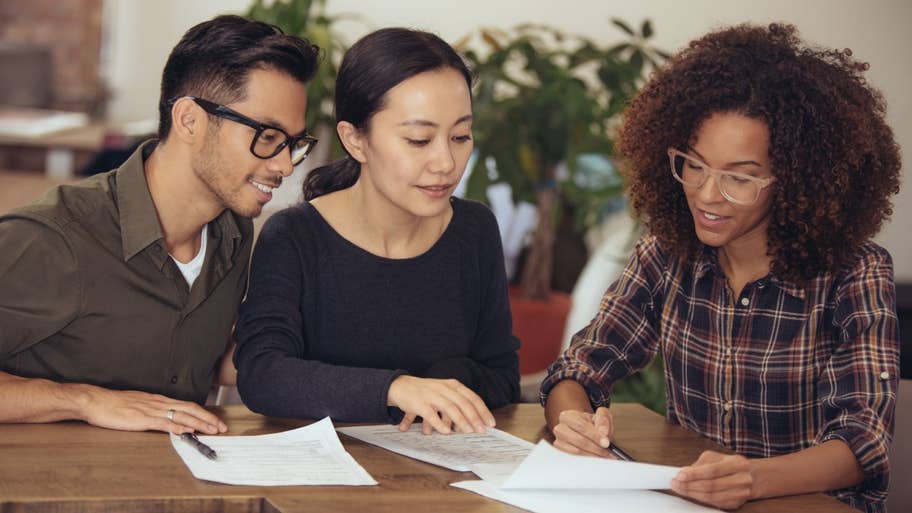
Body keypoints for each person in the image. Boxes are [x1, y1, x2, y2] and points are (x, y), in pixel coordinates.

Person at [541, 23, 900, 513]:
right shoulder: (667, 255)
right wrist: (574, 423)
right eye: (695, 165)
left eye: (740, 178)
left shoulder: (854, 274)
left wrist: (751, 479)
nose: (708, 195)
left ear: (796, 181)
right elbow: (579, 367)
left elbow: (863, 443)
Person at [0, 15, 319, 435]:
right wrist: (85, 400)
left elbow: (198, 356)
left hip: (178, 470)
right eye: (267, 136)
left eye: (291, 144)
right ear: (189, 120)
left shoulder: (232, 233)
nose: (284, 166)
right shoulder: (53, 239)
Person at [233, 28, 520, 435]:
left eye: (460, 136)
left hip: (438, 466)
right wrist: (395, 388)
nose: (446, 162)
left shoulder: (474, 230)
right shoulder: (295, 236)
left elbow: (503, 378)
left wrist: (444, 381)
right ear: (355, 140)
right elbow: (263, 375)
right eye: (419, 140)